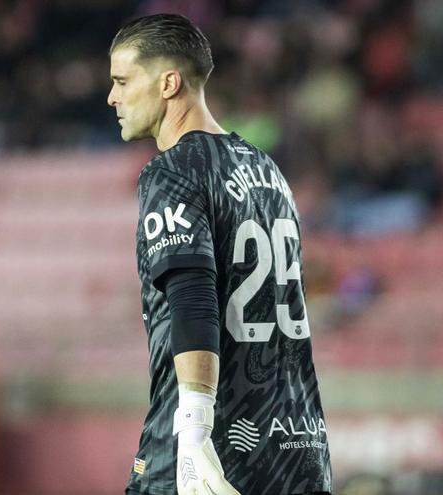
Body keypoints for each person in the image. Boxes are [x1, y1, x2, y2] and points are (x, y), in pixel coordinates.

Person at [107, 14, 332, 495]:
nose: (112, 97)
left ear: (168, 83)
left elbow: (193, 300)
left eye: (123, 80)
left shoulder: (173, 172)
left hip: (213, 448)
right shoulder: (268, 170)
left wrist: (192, 434)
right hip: (298, 446)